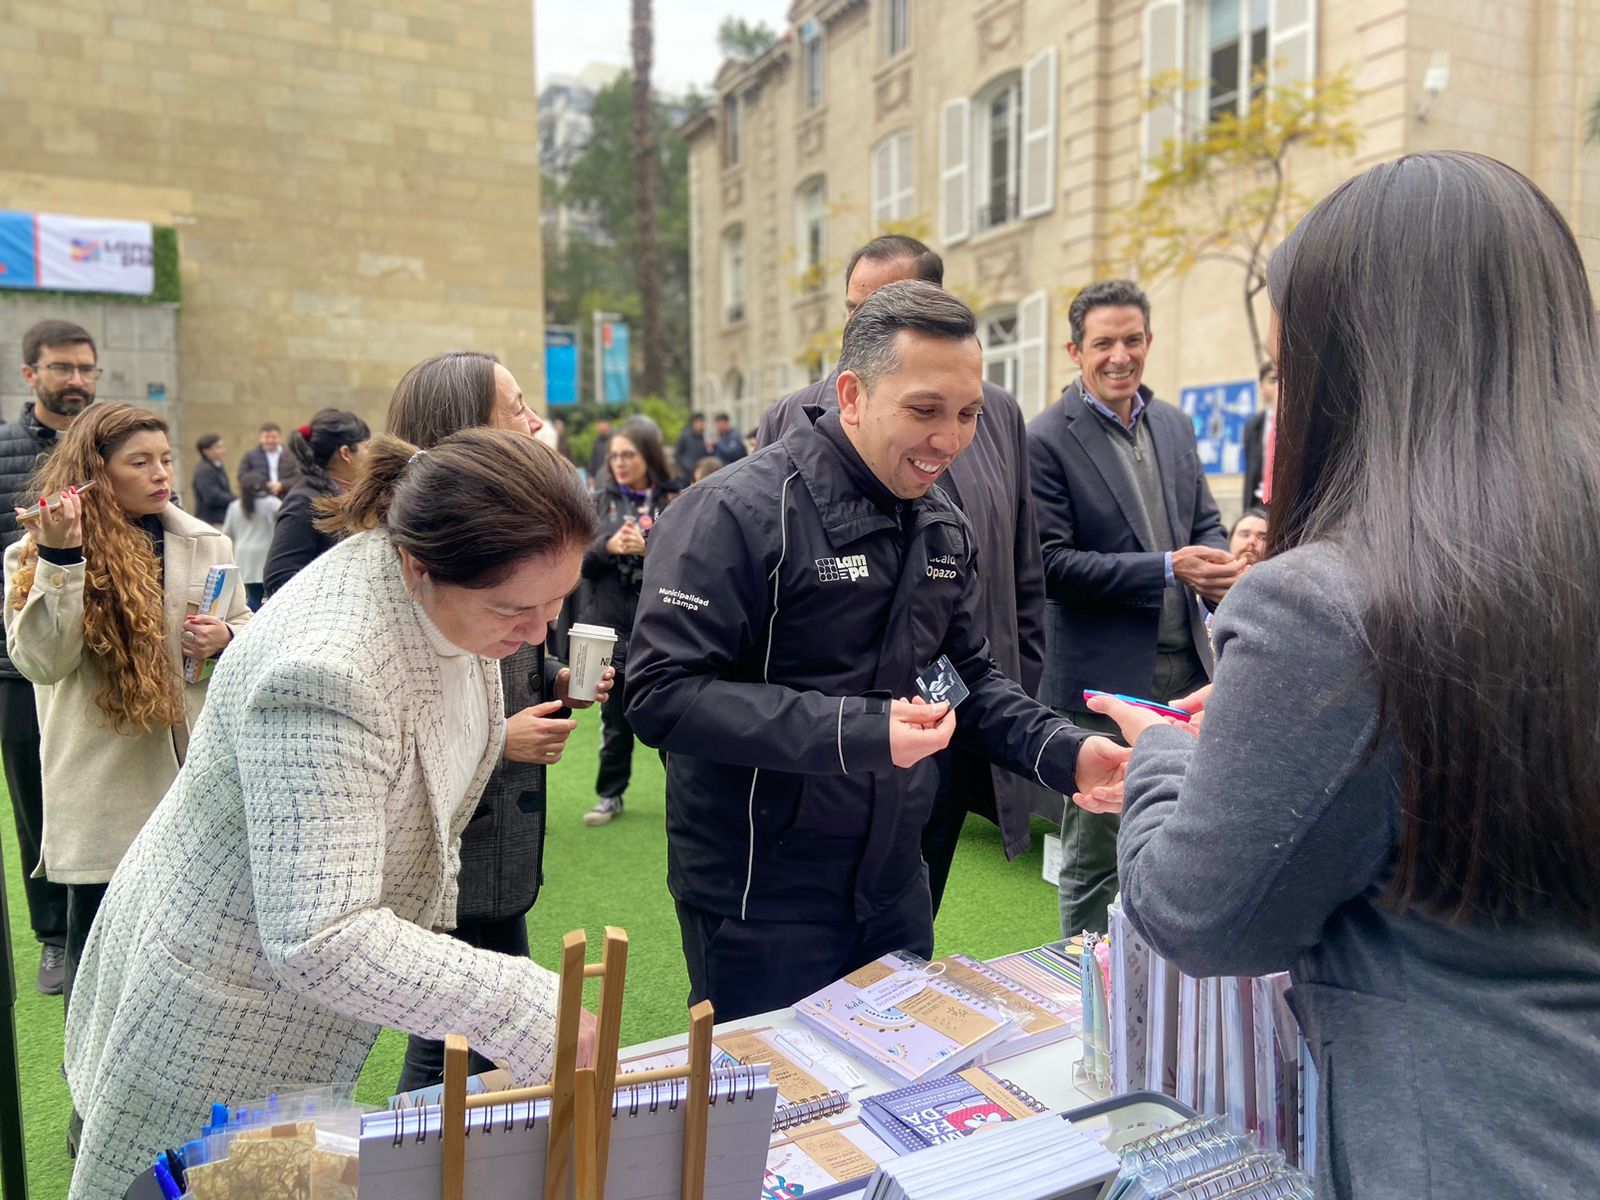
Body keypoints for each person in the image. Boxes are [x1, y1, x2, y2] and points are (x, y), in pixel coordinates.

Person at [1078, 151, 1600, 1199]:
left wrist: (1170, 757)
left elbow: (1202, 913)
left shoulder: (1332, 604)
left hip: (1471, 1143)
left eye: (1288, 367)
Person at [64, 430, 600, 1200]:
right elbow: (320, 935)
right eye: (516, 608)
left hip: (287, 999)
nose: (539, 630)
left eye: (558, 602)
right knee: (192, 1183)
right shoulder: (327, 671)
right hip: (219, 1003)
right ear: (418, 566)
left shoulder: (446, 593)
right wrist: (519, 1004)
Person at [626, 281, 1129, 1021]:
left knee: (896, 1077)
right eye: (925, 410)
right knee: (771, 1092)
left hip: (897, 879)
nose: (950, 440)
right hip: (759, 894)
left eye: (968, 415)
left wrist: (1065, 751)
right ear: (852, 395)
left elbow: (959, 677)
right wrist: (859, 730)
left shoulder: (943, 523)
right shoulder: (732, 512)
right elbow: (661, 694)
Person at [757, 234, 1050, 915]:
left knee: (912, 920)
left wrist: (1016, 697)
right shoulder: (788, 422)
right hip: (827, 747)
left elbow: (1022, 570)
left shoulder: (999, 416)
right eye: (854, 311)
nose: (947, 438)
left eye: (964, 416)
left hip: (946, 719)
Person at [387, 348, 612, 1093]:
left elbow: (510, 663)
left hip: (502, 844)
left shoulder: (501, 542)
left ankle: (462, 1141)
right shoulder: (423, 573)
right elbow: (407, 728)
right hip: (450, 847)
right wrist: (498, 740)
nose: (535, 422)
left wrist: (557, 679)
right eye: (516, 407)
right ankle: (423, 1143)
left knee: (477, 1028)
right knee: (451, 1038)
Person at [3, 404, 254, 1016]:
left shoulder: (207, 541)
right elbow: (42, 662)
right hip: (103, 781)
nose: (160, 473)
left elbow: (248, 626)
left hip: (192, 775)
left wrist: (227, 638)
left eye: (165, 459)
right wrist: (62, 561)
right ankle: (87, 1078)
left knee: (190, 958)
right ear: (96, 472)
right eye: (139, 462)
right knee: (99, 958)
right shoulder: (35, 551)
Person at [1027, 278, 1241, 935]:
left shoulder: (1173, 423)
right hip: (1103, 685)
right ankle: (1086, 980)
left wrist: (1216, 566)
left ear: (1149, 340)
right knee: (1096, 854)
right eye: (1103, 343)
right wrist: (1169, 567)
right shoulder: (1046, 439)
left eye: (1132, 339)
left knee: (1183, 836)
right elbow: (1051, 565)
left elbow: (1205, 521)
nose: (1120, 356)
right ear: (1074, 351)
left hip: (1188, 677)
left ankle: (1161, 970)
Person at [0, 319, 98, 995]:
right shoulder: (6, 450)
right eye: (63, 367)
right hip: (18, 662)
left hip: (106, 657)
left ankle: (109, 922)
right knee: (35, 799)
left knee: (104, 794)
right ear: (30, 374)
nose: (77, 380)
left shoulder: (112, 442)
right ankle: (55, 938)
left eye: (87, 368)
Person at [579, 417, 680, 827]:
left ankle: (684, 798)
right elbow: (578, 562)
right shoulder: (597, 503)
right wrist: (608, 546)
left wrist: (648, 547)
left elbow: (691, 559)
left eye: (628, 455)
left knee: (671, 719)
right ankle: (610, 794)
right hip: (610, 631)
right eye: (614, 456)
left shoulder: (675, 500)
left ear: (648, 456)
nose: (619, 463)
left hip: (661, 630)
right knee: (614, 722)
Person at [261, 409, 370, 596]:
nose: (371, 456)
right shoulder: (304, 502)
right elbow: (279, 577)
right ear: (345, 453)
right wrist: (334, 596)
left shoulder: (341, 495)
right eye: (367, 447)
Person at [221, 471, 282, 610]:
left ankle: (253, 622)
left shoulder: (235, 506)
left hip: (244, 557)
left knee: (253, 596)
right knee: (273, 597)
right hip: (267, 554)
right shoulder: (273, 504)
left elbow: (227, 532)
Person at [1240, 361, 1278, 509]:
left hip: (1286, 503)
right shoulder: (1253, 426)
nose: (1278, 385)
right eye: (1273, 380)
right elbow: (1250, 472)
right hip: (1259, 503)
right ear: (1262, 386)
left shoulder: (1296, 422)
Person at [237, 422, 298, 498]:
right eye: (266, 437)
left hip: (287, 497)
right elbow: (242, 477)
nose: (270, 441)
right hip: (260, 498)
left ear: (280, 438)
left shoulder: (291, 456)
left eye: (273, 437)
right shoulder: (250, 457)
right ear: (260, 438)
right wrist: (263, 485)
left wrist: (282, 485)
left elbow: (299, 476)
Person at [190, 433, 234, 526]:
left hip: (221, 519)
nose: (223, 450)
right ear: (206, 451)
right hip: (211, 521)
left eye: (223, 446)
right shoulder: (204, 470)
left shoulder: (218, 466)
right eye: (218, 447)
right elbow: (212, 496)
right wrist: (235, 500)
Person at [674, 413, 708, 484]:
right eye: (700, 423)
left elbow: (709, 455)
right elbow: (678, 454)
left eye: (703, 423)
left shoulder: (705, 437)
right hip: (687, 473)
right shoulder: (685, 436)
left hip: (701, 473)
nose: (702, 425)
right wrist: (686, 465)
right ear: (694, 423)